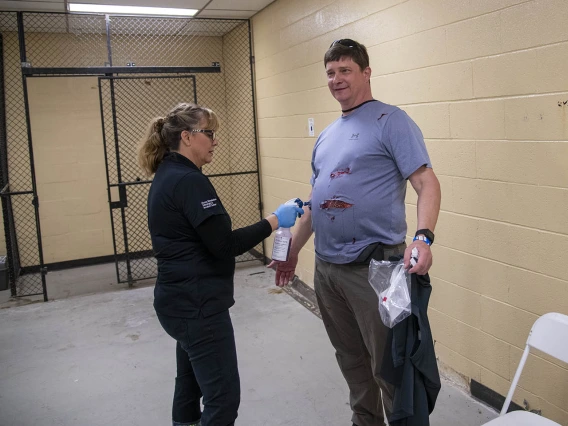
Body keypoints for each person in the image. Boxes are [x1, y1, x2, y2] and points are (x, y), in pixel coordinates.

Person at [270, 39, 441, 426]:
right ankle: (365, 421)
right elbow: (315, 201)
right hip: (328, 271)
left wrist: (423, 237)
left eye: (345, 70)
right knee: (350, 359)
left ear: (366, 72)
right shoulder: (327, 135)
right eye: (330, 73)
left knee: (390, 365)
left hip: (375, 269)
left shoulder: (391, 121)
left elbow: (426, 184)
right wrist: (293, 250)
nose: (336, 79)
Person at [138, 102, 303, 426]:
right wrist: (274, 220)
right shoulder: (188, 181)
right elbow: (224, 245)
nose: (215, 140)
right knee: (223, 400)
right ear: (187, 137)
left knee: (188, 385)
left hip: (178, 302)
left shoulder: (169, 174)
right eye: (209, 133)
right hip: (198, 306)